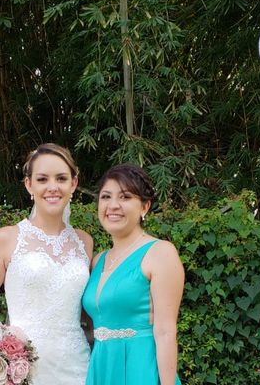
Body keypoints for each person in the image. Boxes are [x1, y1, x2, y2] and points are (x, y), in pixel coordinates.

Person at [0, 143, 93, 384]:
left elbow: (89, 311)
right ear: (28, 185)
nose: (52, 187)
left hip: (78, 367)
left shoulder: (85, 242)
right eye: (42, 179)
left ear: (73, 184)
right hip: (23, 369)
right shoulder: (6, 238)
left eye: (61, 178)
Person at [82, 164, 184, 385]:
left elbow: (166, 331)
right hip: (102, 368)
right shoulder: (98, 260)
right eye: (106, 196)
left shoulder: (160, 252)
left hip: (141, 368)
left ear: (144, 207)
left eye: (125, 197)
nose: (113, 205)